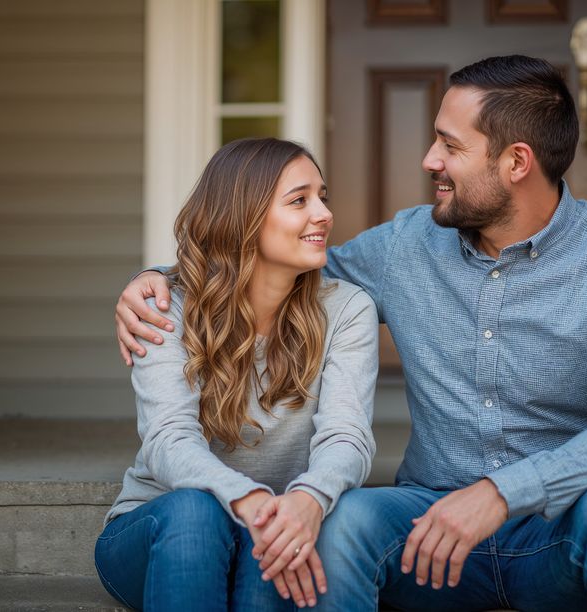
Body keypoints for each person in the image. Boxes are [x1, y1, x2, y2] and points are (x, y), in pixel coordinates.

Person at [116, 55, 587, 611]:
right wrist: (157, 281)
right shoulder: (406, 245)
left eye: (451, 146)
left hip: (559, 528)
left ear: (516, 162)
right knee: (348, 520)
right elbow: (272, 268)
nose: (429, 159)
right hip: (426, 528)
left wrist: (502, 493)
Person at [96, 138, 378, 611]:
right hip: (161, 532)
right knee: (196, 510)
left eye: (322, 196)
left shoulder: (348, 311)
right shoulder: (166, 308)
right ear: (243, 217)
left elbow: (347, 437)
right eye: (299, 200)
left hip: (272, 532)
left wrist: (306, 499)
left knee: (271, 540)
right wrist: (249, 500)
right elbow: (168, 440)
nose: (325, 213)